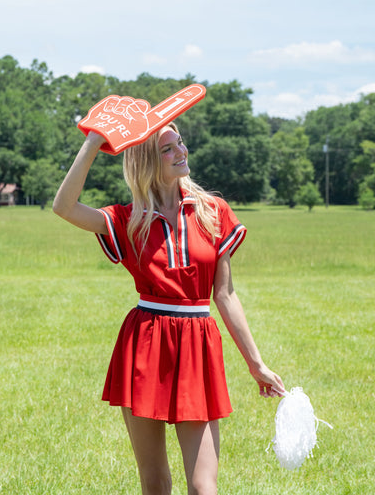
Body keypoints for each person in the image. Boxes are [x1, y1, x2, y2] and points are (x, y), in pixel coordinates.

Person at [53, 121, 285, 495]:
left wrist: (256, 364)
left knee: (202, 487)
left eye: (180, 143)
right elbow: (63, 207)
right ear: (146, 161)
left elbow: (224, 295)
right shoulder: (127, 220)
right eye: (168, 149)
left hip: (198, 345)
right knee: (156, 483)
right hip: (145, 346)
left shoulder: (213, 211)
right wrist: (95, 141)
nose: (182, 152)